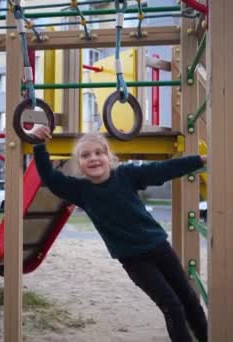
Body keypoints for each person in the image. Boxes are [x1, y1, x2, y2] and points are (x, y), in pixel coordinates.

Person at [30, 126, 208, 342]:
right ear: (80, 165)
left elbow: (162, 169)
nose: (93, 158)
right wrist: (39, 145)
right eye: (85, 155)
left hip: (160, 248)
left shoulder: (126, 175)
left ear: (109, 157)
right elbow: (50, 178)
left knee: (189, 301)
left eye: (99, 153)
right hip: (134, 260)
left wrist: (199, 160)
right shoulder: (81, 191)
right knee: (172, 306)